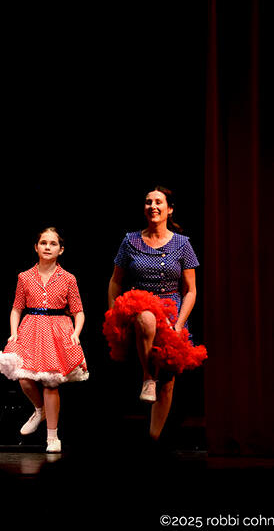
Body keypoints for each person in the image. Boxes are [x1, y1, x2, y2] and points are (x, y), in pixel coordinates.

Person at [105, 186, 206, 441]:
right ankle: (148, 377)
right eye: (148, 202)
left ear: (169, 209)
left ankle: (153, 440)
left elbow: (191, 290)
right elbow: (115, 281)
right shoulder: (130, 241)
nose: (153, 206)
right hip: (138, 306)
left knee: (169, 379)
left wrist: (179, 325)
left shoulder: (182, 244)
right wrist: (114, 314)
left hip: (172, 311)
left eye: (158, 202)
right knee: (147, 316)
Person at [0, 227, 87, 453]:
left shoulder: (68, 278)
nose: (47, 247)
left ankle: (52, 437)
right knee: (23, 377)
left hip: (57, 330)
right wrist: (14, 332)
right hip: (31, 328)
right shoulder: (25, 277)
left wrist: (76, 333)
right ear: (36, 247)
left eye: (53, 243)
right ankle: (39, 409)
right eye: (43, 243)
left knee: (50, 383)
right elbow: (17, 308)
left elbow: (78, 311)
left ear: (61, 249)